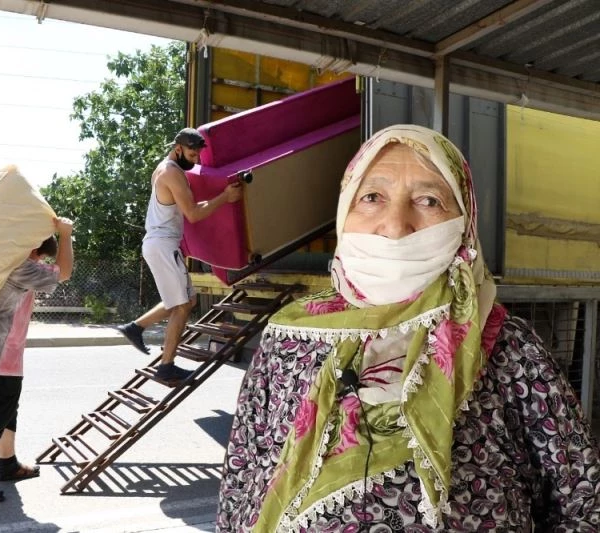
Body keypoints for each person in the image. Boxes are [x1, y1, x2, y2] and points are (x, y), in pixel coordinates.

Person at [217, 125, 600, 531]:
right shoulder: (288, 337)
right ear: (344, 211)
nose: (396, 225)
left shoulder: (507, 347)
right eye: (372, 197)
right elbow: (241, 482)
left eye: (429, 200)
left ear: (465, 221)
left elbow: (584, 505)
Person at [0, 216, 74, 506]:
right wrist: (66, 234)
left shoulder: (1, 257)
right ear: (32, 248)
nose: (39, 261)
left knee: (6, 409)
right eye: (39, 255)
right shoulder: (20, 266)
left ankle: (8, 464)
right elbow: (64, 272)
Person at [118, 127, 243, 385]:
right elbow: (194, 214)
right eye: (192, 155)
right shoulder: (172, 173)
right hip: (163, 245)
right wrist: (226, 197)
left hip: (160, 244)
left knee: (186, 299)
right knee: (183, 304)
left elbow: (188, 208)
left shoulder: (163, 168)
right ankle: (166, 367)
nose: (195, 160)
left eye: (198, 156)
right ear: (178, 149)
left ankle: (135, 327)